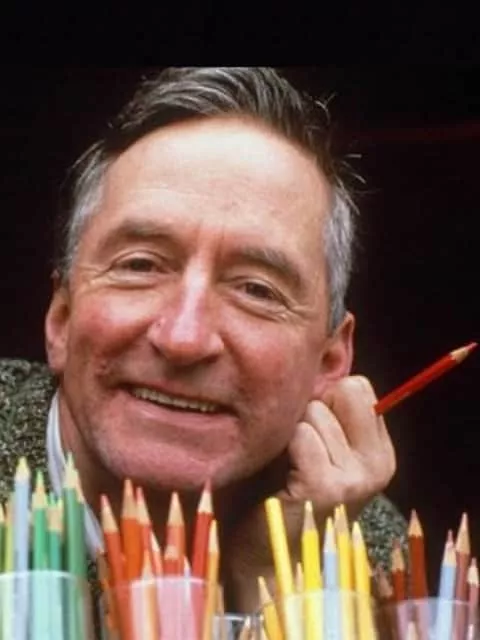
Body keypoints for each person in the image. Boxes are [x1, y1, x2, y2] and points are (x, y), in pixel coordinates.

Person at [0, 67, 406, 613]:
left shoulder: (359, 547)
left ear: (328, 362)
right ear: (61, 319)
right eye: (140, 265)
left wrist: (268, 591)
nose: (184, 338)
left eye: (256, 290)